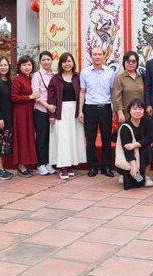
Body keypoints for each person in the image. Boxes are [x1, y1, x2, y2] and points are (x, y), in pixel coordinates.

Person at [48, 52, 87, 179]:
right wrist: (51, 114)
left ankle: (70, 164)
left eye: (69, 61)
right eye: (64, 62)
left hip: (75, 111)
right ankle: (63, 167)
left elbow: (83, 93)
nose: (67, 64)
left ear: (73, 63)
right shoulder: (55, 78)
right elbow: (51, 98)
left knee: (72, 138)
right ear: (60, 64)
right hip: (61, 111)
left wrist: (81, 111)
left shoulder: (78, 77)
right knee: (62, 139)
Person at [79, 46, 116, 177]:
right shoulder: (85, 72)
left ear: (104, 56)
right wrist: (80, 111)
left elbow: (112, 92)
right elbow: (82, 92)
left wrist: (114, 109)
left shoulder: (110, 72)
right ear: (91, 56)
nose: (97, 57)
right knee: (90, 139)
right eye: (95, 54)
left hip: (105, 108)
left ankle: (106, 167)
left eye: (100, 54)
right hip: (90, 108)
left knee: (106, 139)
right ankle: (93, 167)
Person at [9, 55, 39, 177]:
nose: (27, 67)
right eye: (24, 65)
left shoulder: (31, 78)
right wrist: (29, 97)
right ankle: (21, 166)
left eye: (29, 65)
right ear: (20, 67)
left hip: (30, 111)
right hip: (21, 112)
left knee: (29, 137)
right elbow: (14, 97)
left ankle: (25, 163)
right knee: (22, 137)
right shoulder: (17, 79)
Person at [116, 98, 153, 190]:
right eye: (135, 109)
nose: (137, 111)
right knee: (136, 182)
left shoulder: (148, 121)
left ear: (144, 111)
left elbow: (149, 139)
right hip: (129, 156)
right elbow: (127, 148)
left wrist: (135, 144)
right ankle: (125, 173)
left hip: (142, 151)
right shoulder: (125, 127)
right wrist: (133, 166)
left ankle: (146, 176)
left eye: (140, 109)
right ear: (129, 111)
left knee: (148, 149)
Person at [32, 51, 57, 175]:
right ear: (40, 62)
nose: (46, 62)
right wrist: (48, 106)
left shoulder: (55, 74)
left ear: (52, 60)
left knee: (50, 138)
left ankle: (48, 162)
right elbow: (36, 95)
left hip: (53, 111)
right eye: (43, 60)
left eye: (48, 59)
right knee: (41, 137)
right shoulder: (37, 75)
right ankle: (40, 164)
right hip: (41, 110)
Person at [112, 51, 145, 125]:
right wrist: (120, 113)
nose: (131, 63)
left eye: (133, 61)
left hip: (140, 114)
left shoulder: (142, 77)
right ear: (124, 62)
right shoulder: (119, 78)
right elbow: (117, 98)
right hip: (126, 114)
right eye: (128, 61)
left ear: (137, 63)